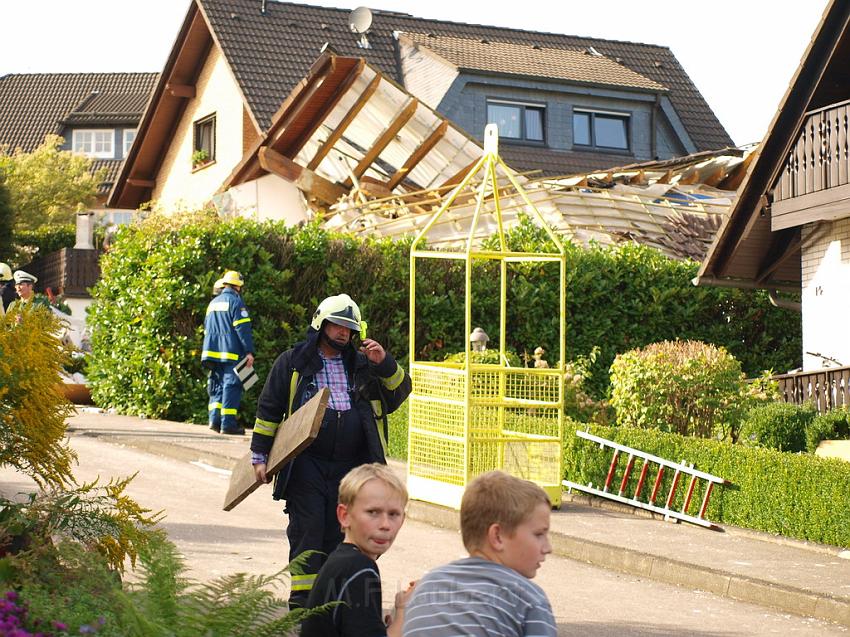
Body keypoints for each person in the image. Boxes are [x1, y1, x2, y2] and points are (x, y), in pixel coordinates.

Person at [250, 293, 411, 608]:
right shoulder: (294, 362)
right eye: (337, 326)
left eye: (349, 329)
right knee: (307, 530)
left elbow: (399, 393)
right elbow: (268, 410)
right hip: (306, 464)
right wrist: (260, 457)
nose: (343, 334)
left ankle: (334, 602)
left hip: (352, 467)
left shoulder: (364, 365)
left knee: (342, 532)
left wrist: (385, 362)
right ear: (321, 324)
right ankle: (303, 602)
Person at [402, 471, 557, 637]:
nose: (548, 548)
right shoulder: (529, 599)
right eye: (539, 534)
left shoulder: (426, 587)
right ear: (497, 536)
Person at [300, 463, 414, 637]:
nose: (385, 525)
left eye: (393, 514)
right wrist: (403, 614)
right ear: (344, 516)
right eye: (373, 512)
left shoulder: (341, 560)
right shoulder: (359, 568)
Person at [201, 270, 255, 435]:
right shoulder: (236, 302)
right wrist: (249, 352)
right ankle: (228, 424)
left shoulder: (213, 303)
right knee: (232, 386)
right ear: (238, 287)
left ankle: (214, 421)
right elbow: (242, 329)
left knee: (217, 386)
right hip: (231, 353)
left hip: (212, 352)